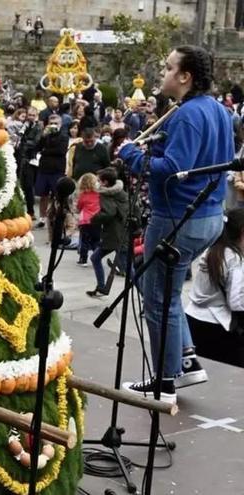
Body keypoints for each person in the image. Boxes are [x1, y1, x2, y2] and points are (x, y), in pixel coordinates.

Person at [119, 45, 235, 403]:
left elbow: (173, 171)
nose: (163, 72)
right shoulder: (217, 110)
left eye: (168, 68)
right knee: (167, 292)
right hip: (209, 217)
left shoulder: (186, 115)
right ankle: (185, 360)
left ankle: (164, 382)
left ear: (185, 76)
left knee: (158, 299)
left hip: (177, 218)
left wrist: (133, 157)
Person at [186, 207, 244, 368]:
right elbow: (237, 302)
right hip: (218, 326)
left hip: (192, 318)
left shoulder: (212, 251)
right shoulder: (235, 260)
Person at [86, 168, 128, 297]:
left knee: (128, 269)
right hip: (122, 231)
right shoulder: (121, 192)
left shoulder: (106, 194)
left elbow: (109, 212)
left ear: (105, 182)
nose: (97, 183)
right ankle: (101, 287)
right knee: (96, 258)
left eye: (99, 181)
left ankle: (145, 295)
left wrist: (93, 219)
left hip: (113, 234)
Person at [34, 114, 69, 228]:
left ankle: (57, 216)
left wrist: (45, 151)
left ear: (60, 124)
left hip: (57, 169)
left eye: (56, 123)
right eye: (51, 123)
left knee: (57, 195)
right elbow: (37, 147)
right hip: (44, 168)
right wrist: (44, 136)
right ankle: (42, 218)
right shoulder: (45, 135)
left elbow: (61, 151)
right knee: (43, 195)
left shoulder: (64, 136)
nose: (53, 126)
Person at [16, 106, 42, 219]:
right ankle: (20, 209)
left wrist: (25, 143)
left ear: (36, 116)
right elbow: (18, 139)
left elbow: (36, 142)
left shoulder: (38, 127)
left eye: (33, 115)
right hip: (21, 158)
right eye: (29, 115)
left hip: (31, 159)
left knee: (28, 186)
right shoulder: (24, 126)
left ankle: (31, 211)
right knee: (19, 184)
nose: (30, 117)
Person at [76, 172, 101, 266]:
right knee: (96, 240)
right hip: (97, 220)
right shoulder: (99, 195)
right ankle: (97, 257)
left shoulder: (83, 195)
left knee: (84, 240)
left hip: (85, 220)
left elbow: (79, 206)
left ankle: (83, 259)